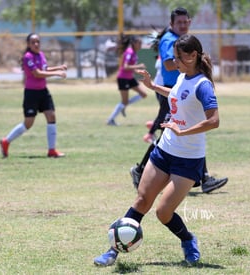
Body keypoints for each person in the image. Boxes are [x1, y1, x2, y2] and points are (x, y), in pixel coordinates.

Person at [94, 34, 220, 266]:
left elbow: (214, 121)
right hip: (164, 150)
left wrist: (183, 131)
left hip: (188, 159)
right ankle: (113, 250)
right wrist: (153, 87)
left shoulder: (203, 85)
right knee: (142, 200)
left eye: (179, 58)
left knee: (163, 212)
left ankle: (188, 239)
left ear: (193, 56)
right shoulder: (183, 76)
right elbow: (175, 95)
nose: (174, 62)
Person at [130, 7, 228, 194]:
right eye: (179, 23)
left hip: (182, 92)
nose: (183, 25)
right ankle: (142, 169)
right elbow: (167, 63)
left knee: (182, 129)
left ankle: (203, 176)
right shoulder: (170, 41)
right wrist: (186, 63)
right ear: (171, 24)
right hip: (175, 93)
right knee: (171, 130)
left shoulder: (193, 73)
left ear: (190, 22)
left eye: (185, 22)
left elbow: (211, 121)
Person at [0, 33, 67, 158]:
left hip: (43, 91)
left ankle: (52, 150)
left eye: (38, 42)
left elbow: (45, 69)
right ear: (28, 44)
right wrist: (57, 73)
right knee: (28, 123)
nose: (36, 44)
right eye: (33, 42)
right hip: (31, 93)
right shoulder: (28, 57)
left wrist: (59, 67)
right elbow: (37, 73)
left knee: (51, 116)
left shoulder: (41, 55)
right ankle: (6, 141)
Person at [106, 35, 148, 126]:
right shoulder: (130, 52)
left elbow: (130, 67)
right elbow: (125, 67)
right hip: (123, 78)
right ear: (134, 43)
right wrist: (138, 66)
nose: (141, 45)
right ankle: (110, 120)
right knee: (124, 101)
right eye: (139, 43)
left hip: (129, 78)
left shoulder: (134, 52)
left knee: (143, 94)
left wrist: (138, 71)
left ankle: (124, 105)